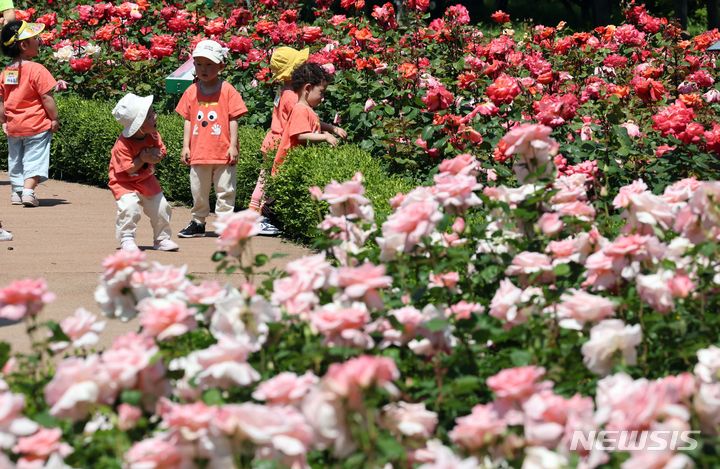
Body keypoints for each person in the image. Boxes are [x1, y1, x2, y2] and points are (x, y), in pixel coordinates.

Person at [176, 39, 247, 238]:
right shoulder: (191, 91)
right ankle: (198, 222)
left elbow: (233, 119)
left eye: (209, 64)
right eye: (199, 64)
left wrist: (233, 146)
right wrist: (185, 146)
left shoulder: (228, 90)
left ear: (220, 65)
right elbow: (189, 120)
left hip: (223, 152)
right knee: (198, 190)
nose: (203, 69)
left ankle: (225, 224)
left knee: (225, 190)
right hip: (199, 152)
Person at [249, 46, 308, 236]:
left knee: (264, 179)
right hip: (280, 142)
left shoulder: (283, 90)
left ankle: (253, 213)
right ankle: (265, 219)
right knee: (272, 182)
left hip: (271, 139)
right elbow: (300, 120)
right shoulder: (292, 96)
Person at [110, 93, 179, 252]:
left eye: (153, 112)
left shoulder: (153, 134)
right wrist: (142, 158)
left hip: (147, 179)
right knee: (129, 208)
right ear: (140, 125)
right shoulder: (122, 145)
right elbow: (129, 168)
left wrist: (156, 157)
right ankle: (127, 239)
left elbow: (160, 151)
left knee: (161, 207)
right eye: (149, 116)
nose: (155, 116)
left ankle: (162, 238)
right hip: (124, 182)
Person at [0, 20, 59, 207]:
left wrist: (3, 120)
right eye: (35, 38)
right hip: (36, 125)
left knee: (16, 159)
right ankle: (28, 191)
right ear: (24, 45)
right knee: (35, 158)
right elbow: (47, 98)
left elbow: (1, 100)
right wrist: (54, 118)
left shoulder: (6, 72)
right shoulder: (37, 69)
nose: (39, 40)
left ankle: (17, 192)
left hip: (14, 125)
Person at [272, 63, 346, 175]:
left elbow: (314, 123)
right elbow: (300, 135)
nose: (322, 98)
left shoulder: (306, 109)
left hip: (296, 164)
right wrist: (325, 136)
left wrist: (333, 128)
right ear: (307, 88)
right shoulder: (300, 109)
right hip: (287, 168)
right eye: (321, 92)